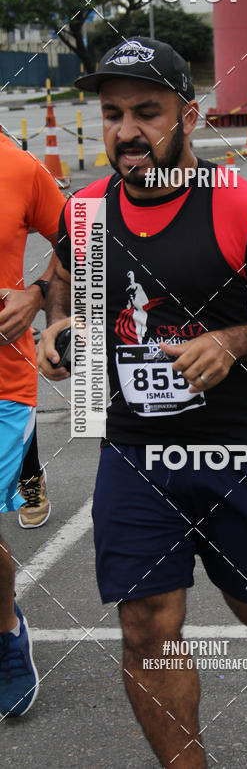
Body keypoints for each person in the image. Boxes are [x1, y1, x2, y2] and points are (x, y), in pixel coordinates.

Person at [38, 36, 247, 768]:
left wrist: (231, 342)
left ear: (188, 115)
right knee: (145, 625)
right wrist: (60, 325)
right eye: (111, 114)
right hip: (134, 450)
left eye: (147, 112)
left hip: (239, 446)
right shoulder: (86, 210)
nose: (127, 131)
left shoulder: (242, 207)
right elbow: (66, 278)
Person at [0, 130, 64, 715]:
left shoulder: (18, 168)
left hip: (2, 384)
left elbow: (86, 235)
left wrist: (41, 294)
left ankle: (4, 629)